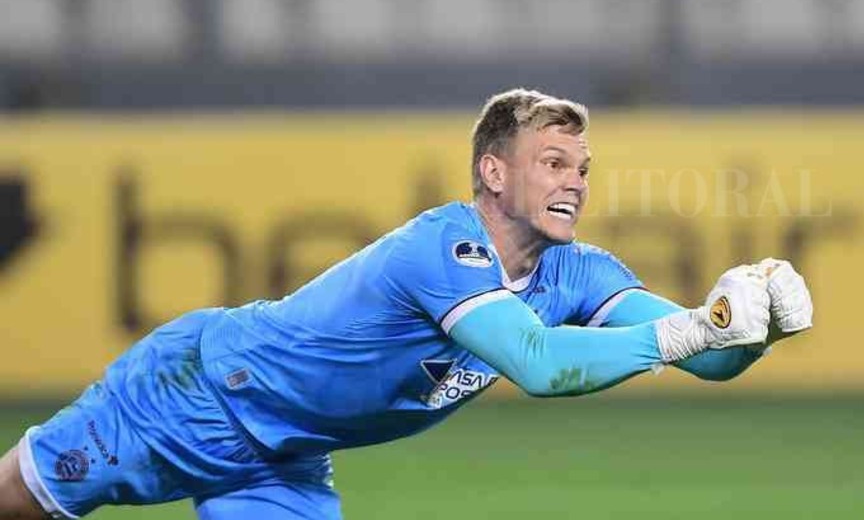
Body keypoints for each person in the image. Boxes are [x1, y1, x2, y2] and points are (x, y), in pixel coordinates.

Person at [0, 89, 813, 519]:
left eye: (584, 167)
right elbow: (540, 365)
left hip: (284, 457)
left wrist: (746, 328)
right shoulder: (444, 247)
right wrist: (691, 327)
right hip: (195, 394)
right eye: (553, 161)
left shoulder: (578, 271)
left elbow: (701, 355)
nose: (575, 181)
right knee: (17, 499)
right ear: (495, 173)